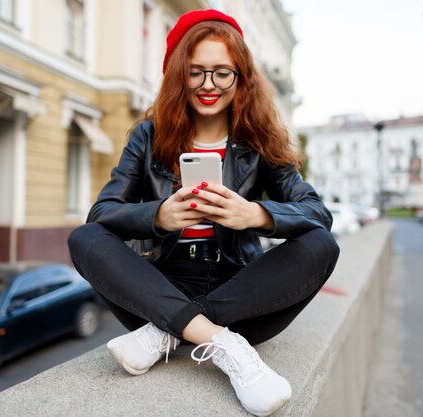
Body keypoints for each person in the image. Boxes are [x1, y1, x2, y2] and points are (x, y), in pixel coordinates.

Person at [68, 9, 339, 416]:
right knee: (83, 238)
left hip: (243, 297)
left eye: (222, 72)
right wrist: (158, 216)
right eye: (196, 72)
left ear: (241, 77)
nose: (208, 85)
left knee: (322, 243)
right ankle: (221, 343)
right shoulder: (149, 135)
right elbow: (103, 213)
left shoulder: (260, 140)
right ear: (179, 75)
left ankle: (170, 333)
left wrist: (256, 215)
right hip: (158, 289)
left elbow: (316, 212)